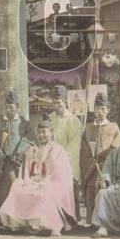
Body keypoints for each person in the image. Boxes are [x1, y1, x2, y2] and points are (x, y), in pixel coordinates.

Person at [0, 115, 76, 236]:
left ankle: (44, 225)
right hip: (32, 182)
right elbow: (25, 170)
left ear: (51, 133)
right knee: (17, 190)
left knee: (42, 195)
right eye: (39, 133)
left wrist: (43, 183)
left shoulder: (57, 150)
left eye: (44, 132)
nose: (41, 135)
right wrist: (28, 181)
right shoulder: (31, 149)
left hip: (51, 184)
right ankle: (13, 224)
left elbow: (59, 174)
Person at [0, 89, 35, 226]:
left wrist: (18, 154)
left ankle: (16, 218)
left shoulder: (24, 124)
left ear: (18, 107)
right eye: (6, 107)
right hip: (2, 163)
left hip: (18, 163)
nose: (8, 110)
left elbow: (29, 140)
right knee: (1, 190)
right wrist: (0, 157)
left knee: (16, 187)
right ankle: (0, 218)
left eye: (11, 107)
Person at [79, 92, 120, 225]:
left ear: (108, 110)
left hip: (107, 167)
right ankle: (92, 222)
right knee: (92, 188)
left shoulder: (113, 127)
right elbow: (84, 150)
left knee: (103, 189)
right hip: (92, 167)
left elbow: (118, 147)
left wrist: (106, 158)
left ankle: (105, 221)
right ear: (94, 110)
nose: (100, 112)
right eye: (98, 108)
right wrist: (91, 160)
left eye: (103, 109)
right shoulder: (88, 128)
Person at [49, 85, 84, 220]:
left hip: (67, 162)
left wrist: (59, 162)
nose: (56, 105)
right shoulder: (51, 118)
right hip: (51, 160)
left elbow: (74, 148)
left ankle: (71, 218)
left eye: (59, 102)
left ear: (65, 102)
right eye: (54, 102)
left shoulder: (73, 121)